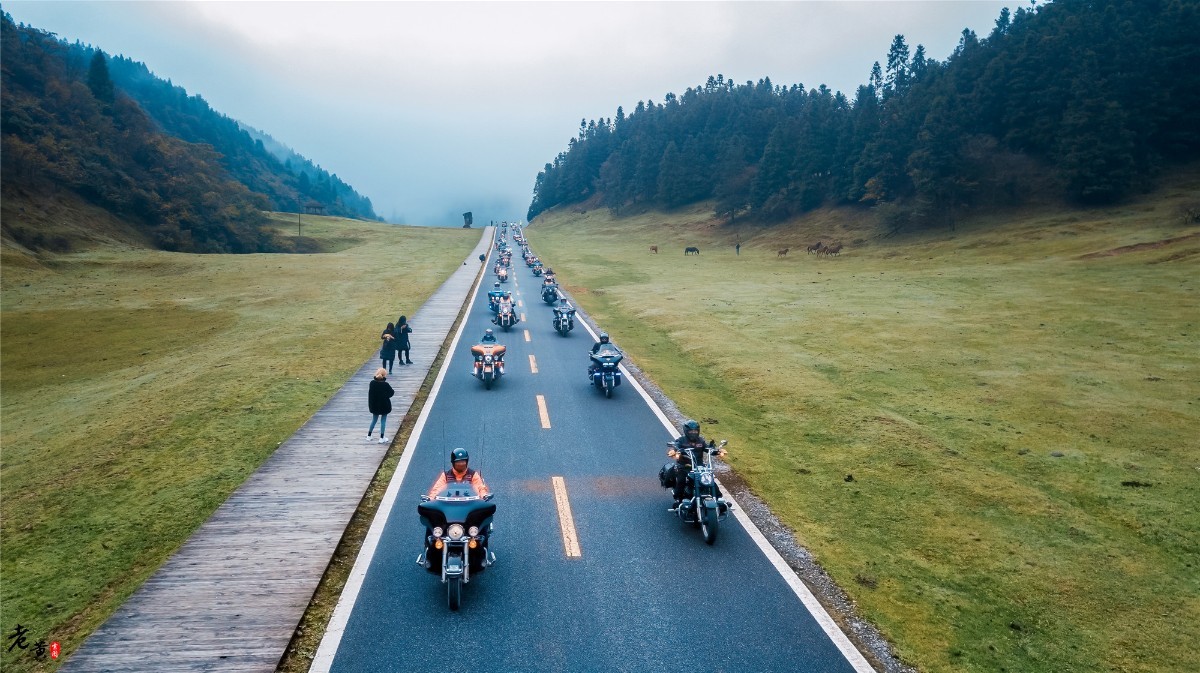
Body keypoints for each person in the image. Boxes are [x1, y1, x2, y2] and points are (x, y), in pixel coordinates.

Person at [666, 419, 724, 508]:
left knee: (709, 478)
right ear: (686, 431)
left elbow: (707, 449)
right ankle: (679, 499)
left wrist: (716, 451)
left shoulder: (701, 440)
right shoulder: (681, 440)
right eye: (691, 431)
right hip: (684, 466)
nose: (693, 433)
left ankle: (719, 499)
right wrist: (674, 450)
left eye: (695, 431)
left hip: (699, 466)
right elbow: (675, 445)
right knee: (681, 480)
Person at [367, 368, 394, 444]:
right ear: (384, 375)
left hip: (374, 405)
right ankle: (382, 437)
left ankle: (369, 435)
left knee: (374, 420)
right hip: (384, 405)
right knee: (383, 420)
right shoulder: (385, 384)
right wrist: (386, 396)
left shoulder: (372, 383)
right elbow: (392, 392)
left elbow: (371, 394)